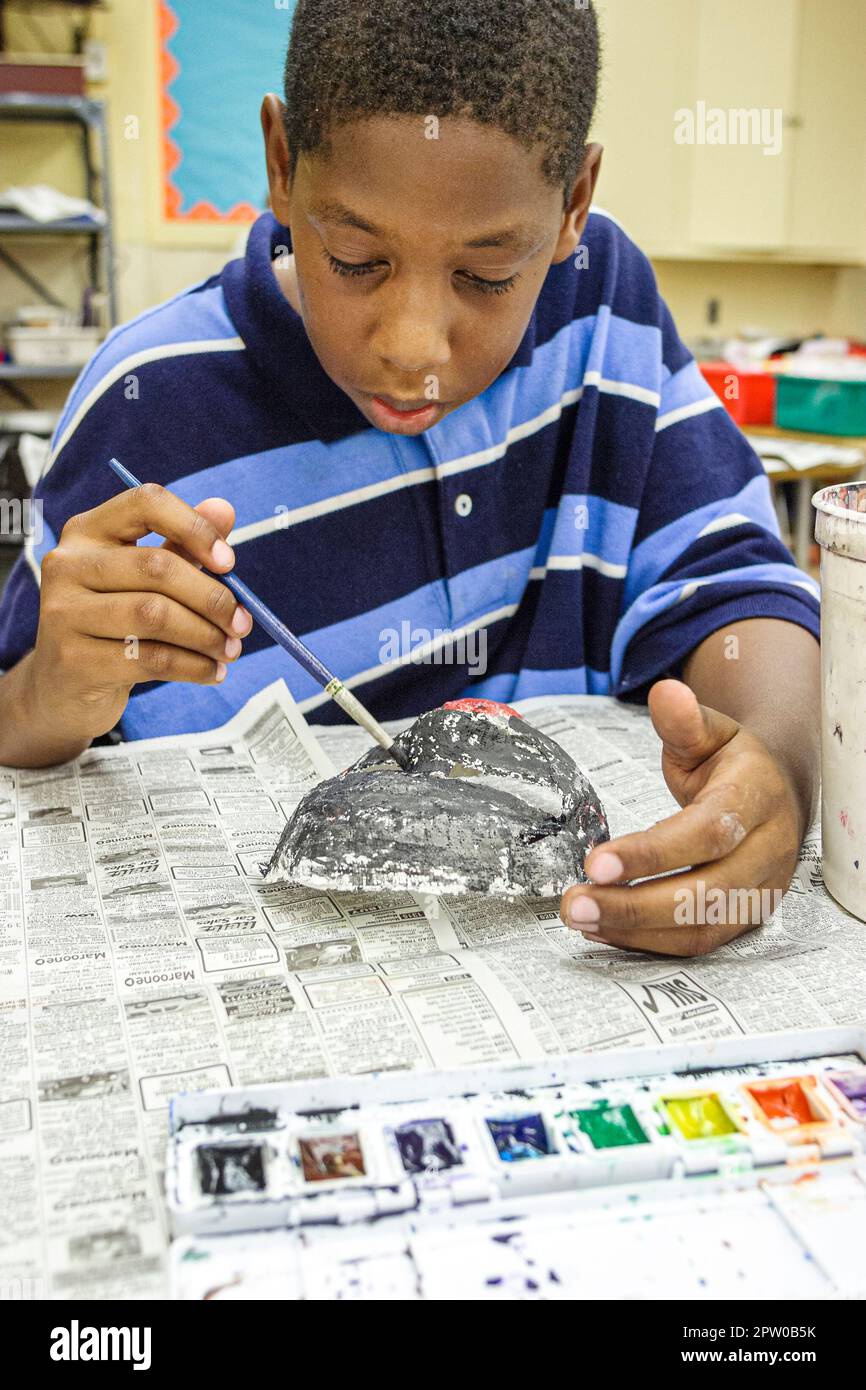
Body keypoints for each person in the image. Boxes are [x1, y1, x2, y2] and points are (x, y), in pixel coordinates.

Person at [0, 1, 820, 957]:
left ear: (573, 204)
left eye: (485, 276)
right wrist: (53, 691)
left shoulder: (602, 308)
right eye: (357, 260)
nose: (411, 347)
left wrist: (780, 765)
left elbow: (733, 580)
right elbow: (22, 713)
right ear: (280, 164)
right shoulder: (146, 403)